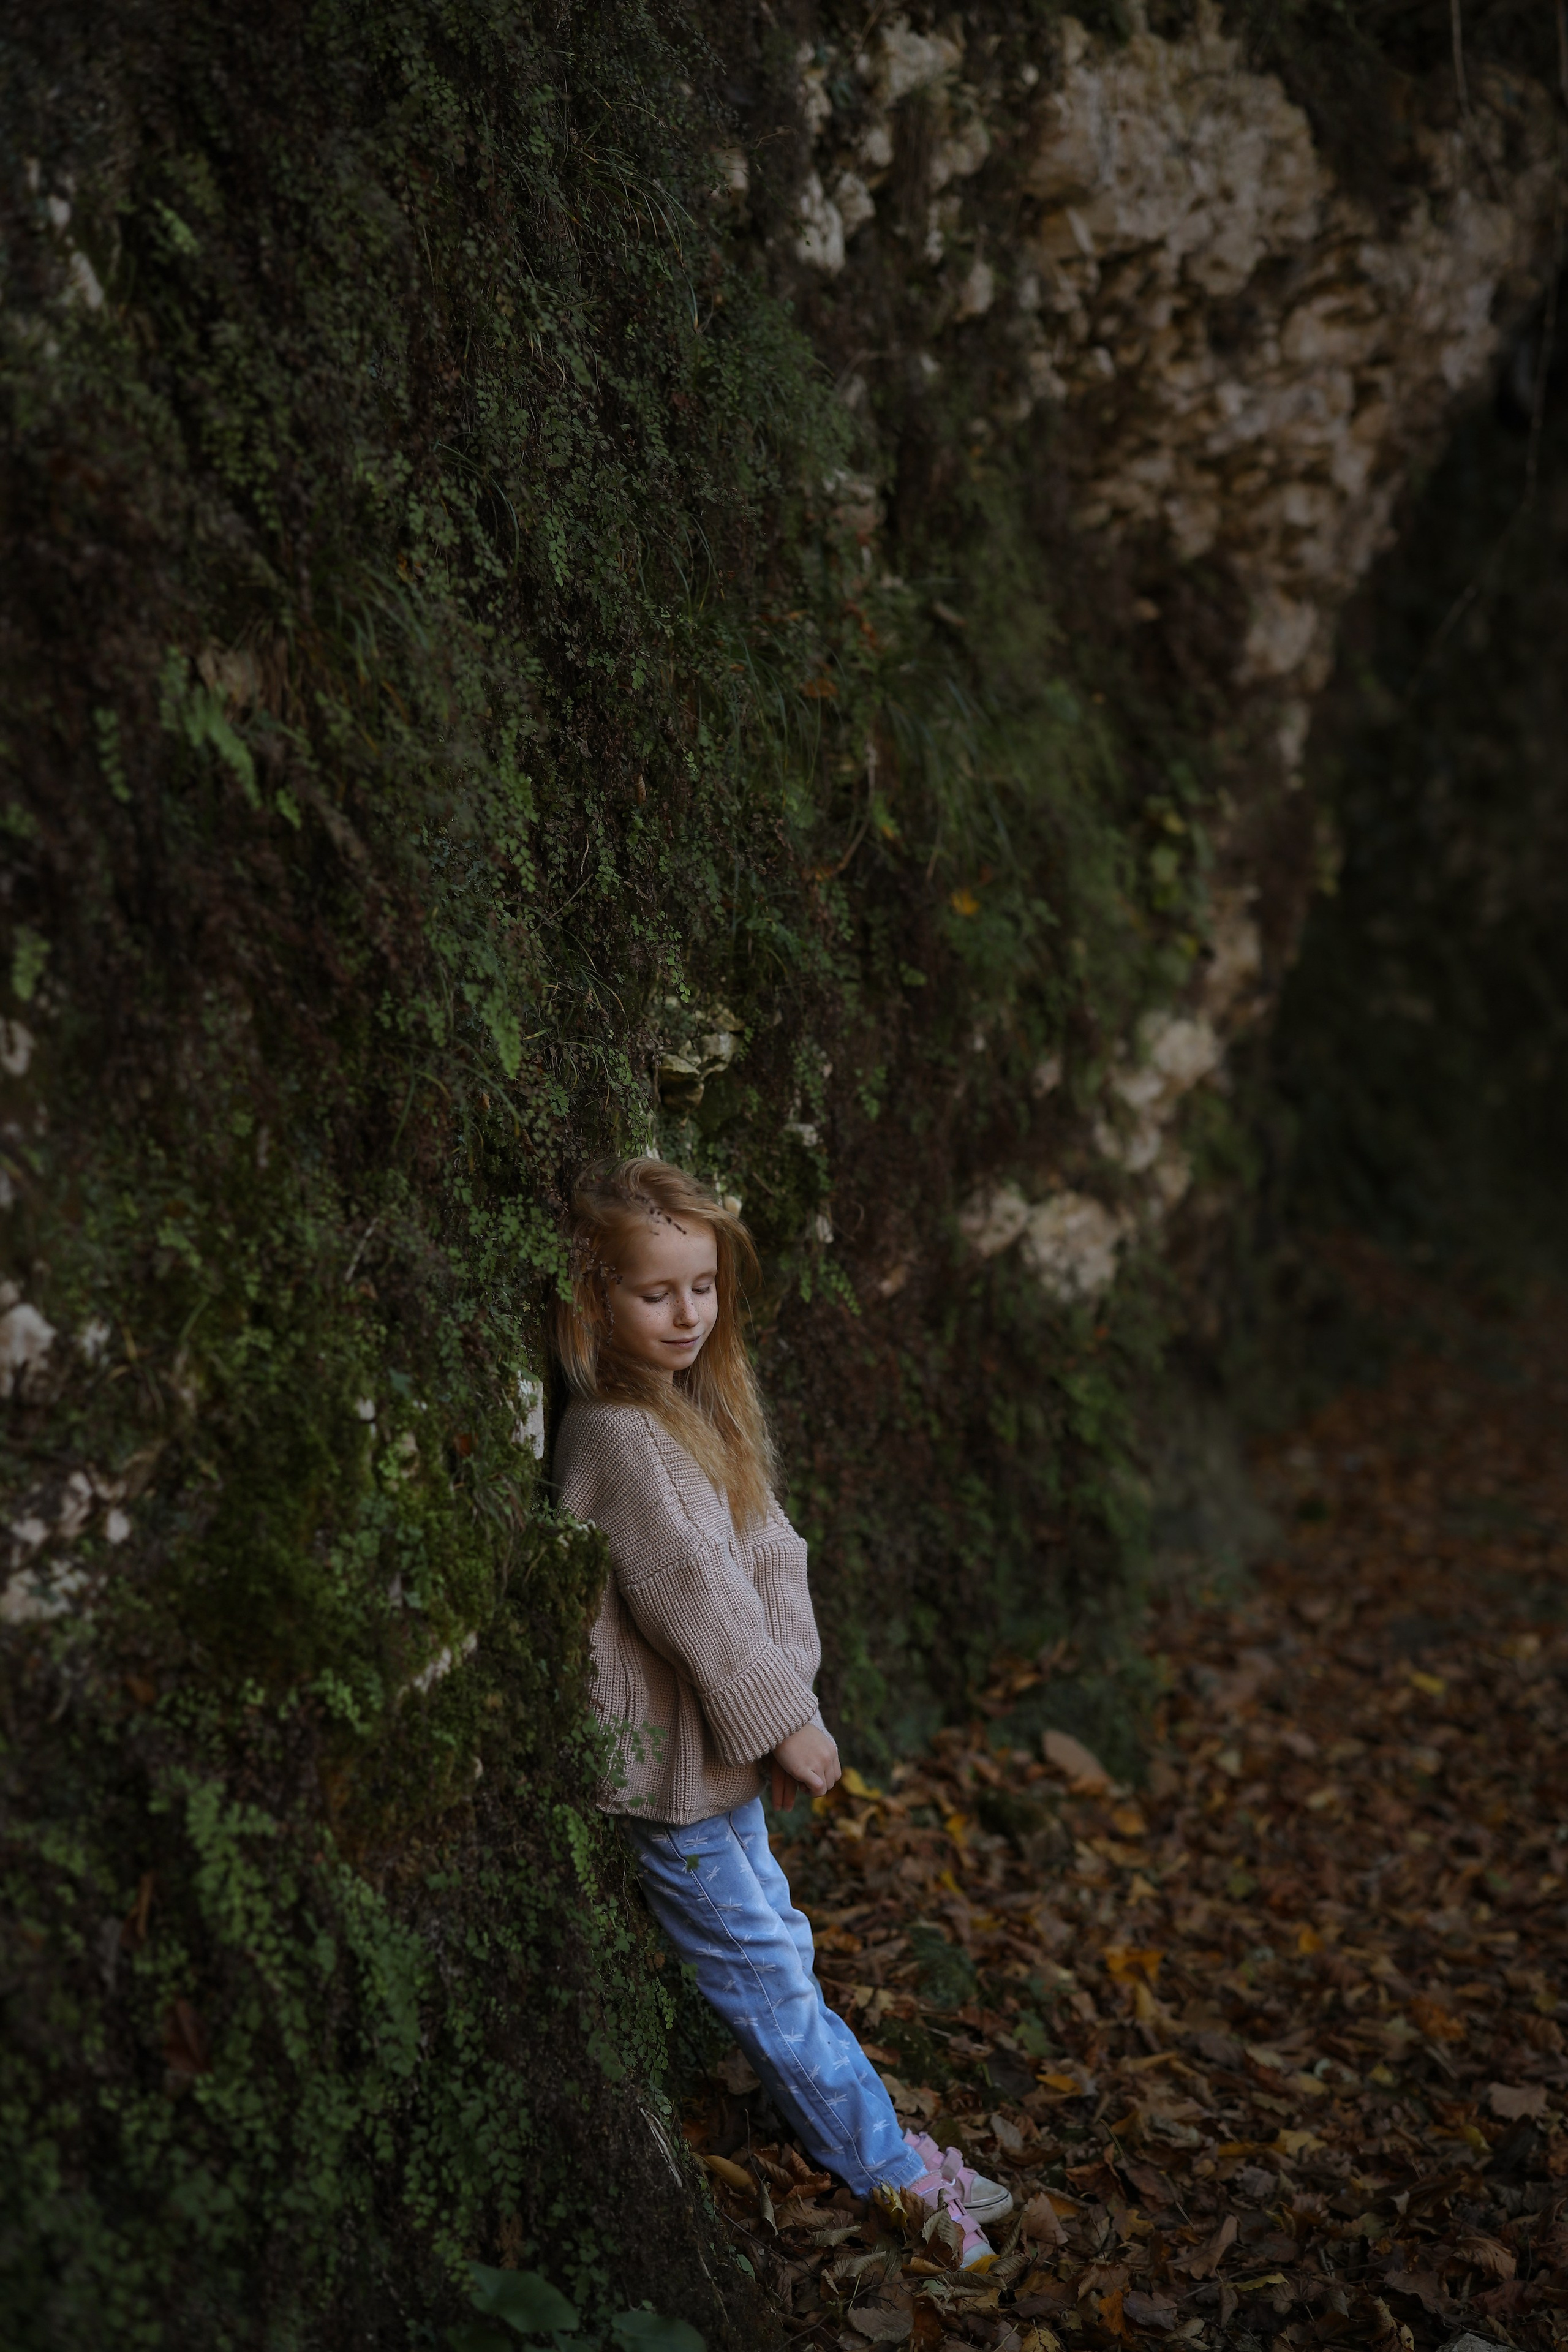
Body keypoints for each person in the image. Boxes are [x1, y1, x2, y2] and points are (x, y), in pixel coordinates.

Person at [551, 1156, 1008, 2269]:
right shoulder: (614, 1433)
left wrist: (788, 1704)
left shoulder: (699, 1411)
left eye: (701, 1286)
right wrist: (783, 1722)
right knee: (769, 1986)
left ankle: (883, 2146)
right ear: (594, 1299)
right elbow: (688, 1594)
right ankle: (896, 2178)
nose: (686, 1312)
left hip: (724, 1764)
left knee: (786, 1957)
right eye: (654, 1292)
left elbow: (767, 1553)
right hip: (671, 1786)